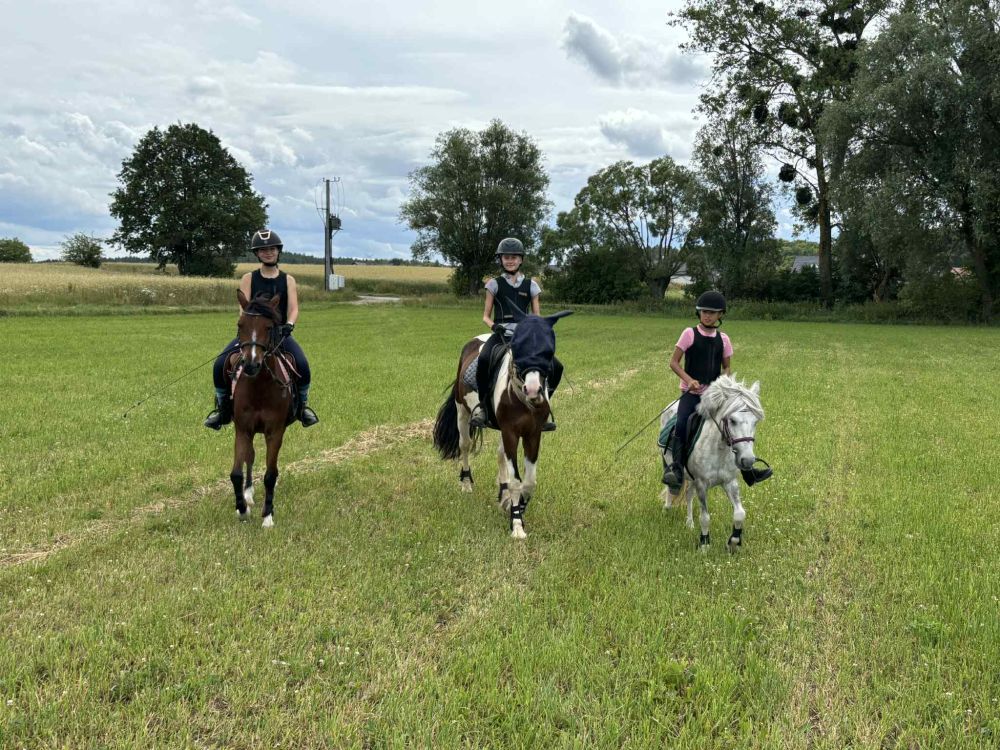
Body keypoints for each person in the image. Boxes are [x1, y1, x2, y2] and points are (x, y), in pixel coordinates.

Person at [203, 229, 319, 429]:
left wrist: (289, 325)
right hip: (252, 334)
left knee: (302, 365)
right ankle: (222, 410)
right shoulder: (249, 278)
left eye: (272, 249)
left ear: (278, 251)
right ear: (257, 253)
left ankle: (302, 408)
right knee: (219, 364)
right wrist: (248, 326)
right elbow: (243, 307)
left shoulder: (288, 280)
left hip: (279, 334)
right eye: (263, 250)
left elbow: (293, 308)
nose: (268, 252)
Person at [469, 237, 562, 431]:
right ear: (501, 260)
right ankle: (482, 408)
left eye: (514, 257)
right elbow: (485, 316)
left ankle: (543, 408)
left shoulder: (531, 286)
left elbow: (536, 316)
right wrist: (494, 326)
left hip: (524, 336)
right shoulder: (493, 285)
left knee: (556, 366)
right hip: (501, 333)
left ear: (521, 260)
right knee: (484, 359)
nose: (510, 261)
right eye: (506, 257)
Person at [661, 290, 732, 490]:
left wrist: (722, 382)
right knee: (681, 423)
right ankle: (676, 468)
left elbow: (727, 367)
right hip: (691, 395)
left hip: (714, 396)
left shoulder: (723, 339)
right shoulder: (689, 334)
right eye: (704, 311)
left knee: (734, 423)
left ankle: (746, 468)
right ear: (698, 312)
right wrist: (689, 380)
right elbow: (674, 362)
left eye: (712, 312)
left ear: (720, 315)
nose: (707, 316)